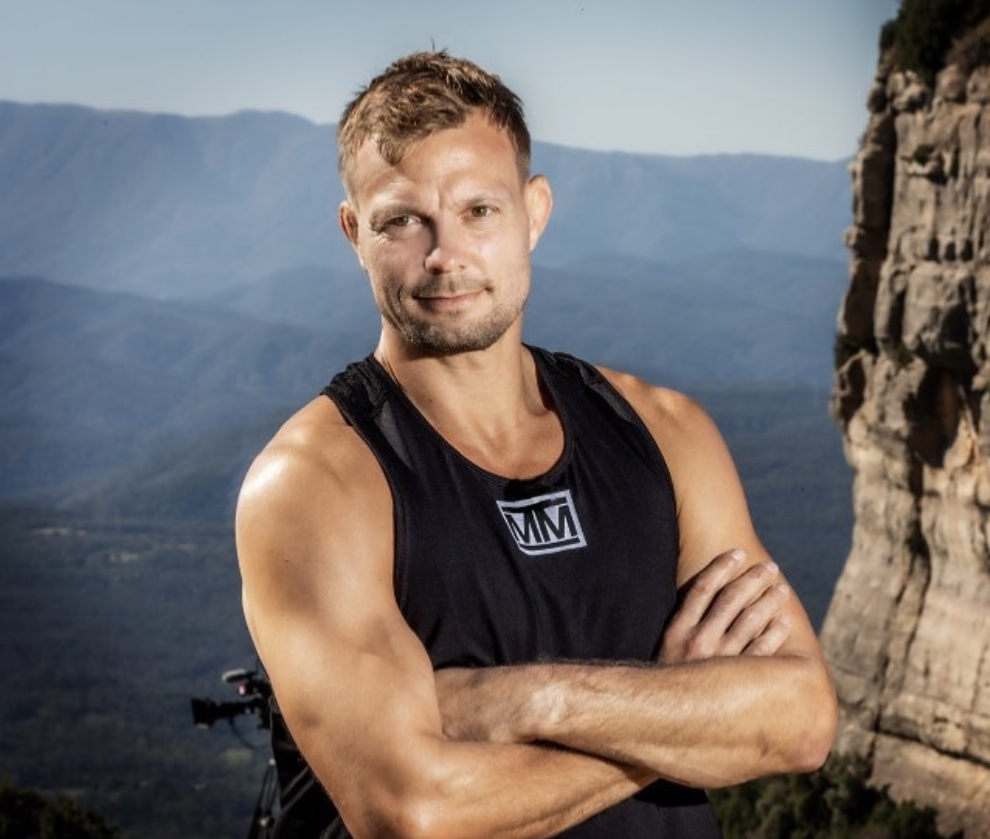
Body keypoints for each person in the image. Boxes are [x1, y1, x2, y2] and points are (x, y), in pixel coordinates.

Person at [235, 50, 838, 839]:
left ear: (535, 210)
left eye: (479, 211)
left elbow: (801, 717)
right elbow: (415, 814)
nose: (446, 254)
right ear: (354, 232)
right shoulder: (314, 483)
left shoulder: (664, 431)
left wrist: (532, 700)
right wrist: (681, 712)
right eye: (402, 220)